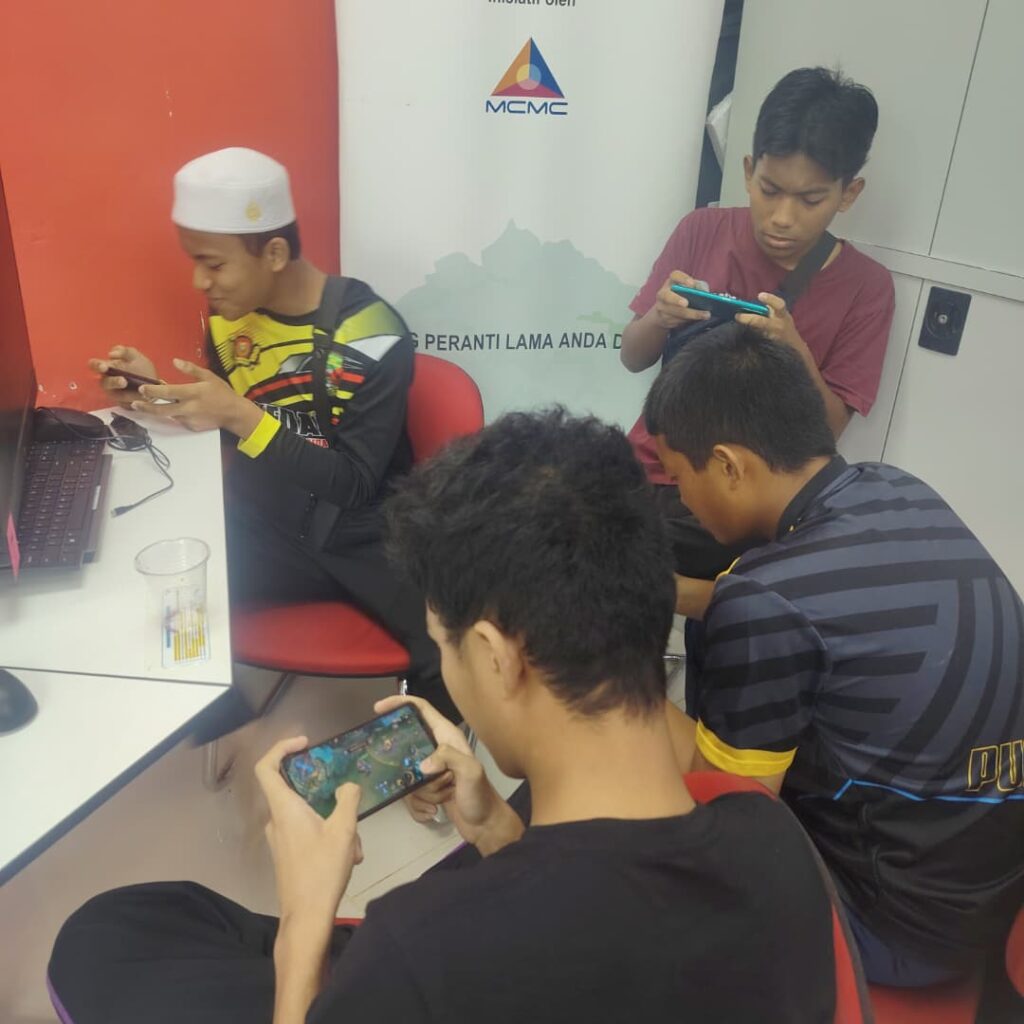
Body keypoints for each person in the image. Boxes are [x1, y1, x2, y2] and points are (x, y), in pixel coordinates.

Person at [49, 410, 842, 1024]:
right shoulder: (773, 842)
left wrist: (305, 921)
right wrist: (498, 829)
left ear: (496, 656)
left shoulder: (424, 950)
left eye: (443, 645)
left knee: (104, 938)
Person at [643, 323, 1024, 988]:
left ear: (728, 465)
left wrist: (608, 670)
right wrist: (663, 592)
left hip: (897, 927)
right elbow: (807, 612)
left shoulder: (763, 599)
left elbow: (731, 816)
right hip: (993, 884)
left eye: (678, 479)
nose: (681, 501)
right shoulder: (893, 487)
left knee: (649, 848)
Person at [88, 147, 455, 723]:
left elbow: (355, 483)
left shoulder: (371, 333)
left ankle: (436, 761)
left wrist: (238, 414)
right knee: (162, 596)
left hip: (368, 533)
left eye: (213, 264)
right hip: (269, 523)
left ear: (275, 253)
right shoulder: (229, 322)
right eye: (194, 261)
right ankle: (219, 712)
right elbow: (237, 433)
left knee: (450, 645)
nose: (199, 281)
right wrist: (155, 398)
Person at [622, 66, 895, 622]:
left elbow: (826, 435)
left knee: (631, 586)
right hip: (652, 469)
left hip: (741, 506)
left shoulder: (867, 288)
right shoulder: (701, 231)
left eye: (810, 199)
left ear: (849, 193)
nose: (782, 218)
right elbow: (633, 356)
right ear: (748, 171)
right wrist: (659, 316)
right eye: (769, 191)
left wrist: (793, 347)